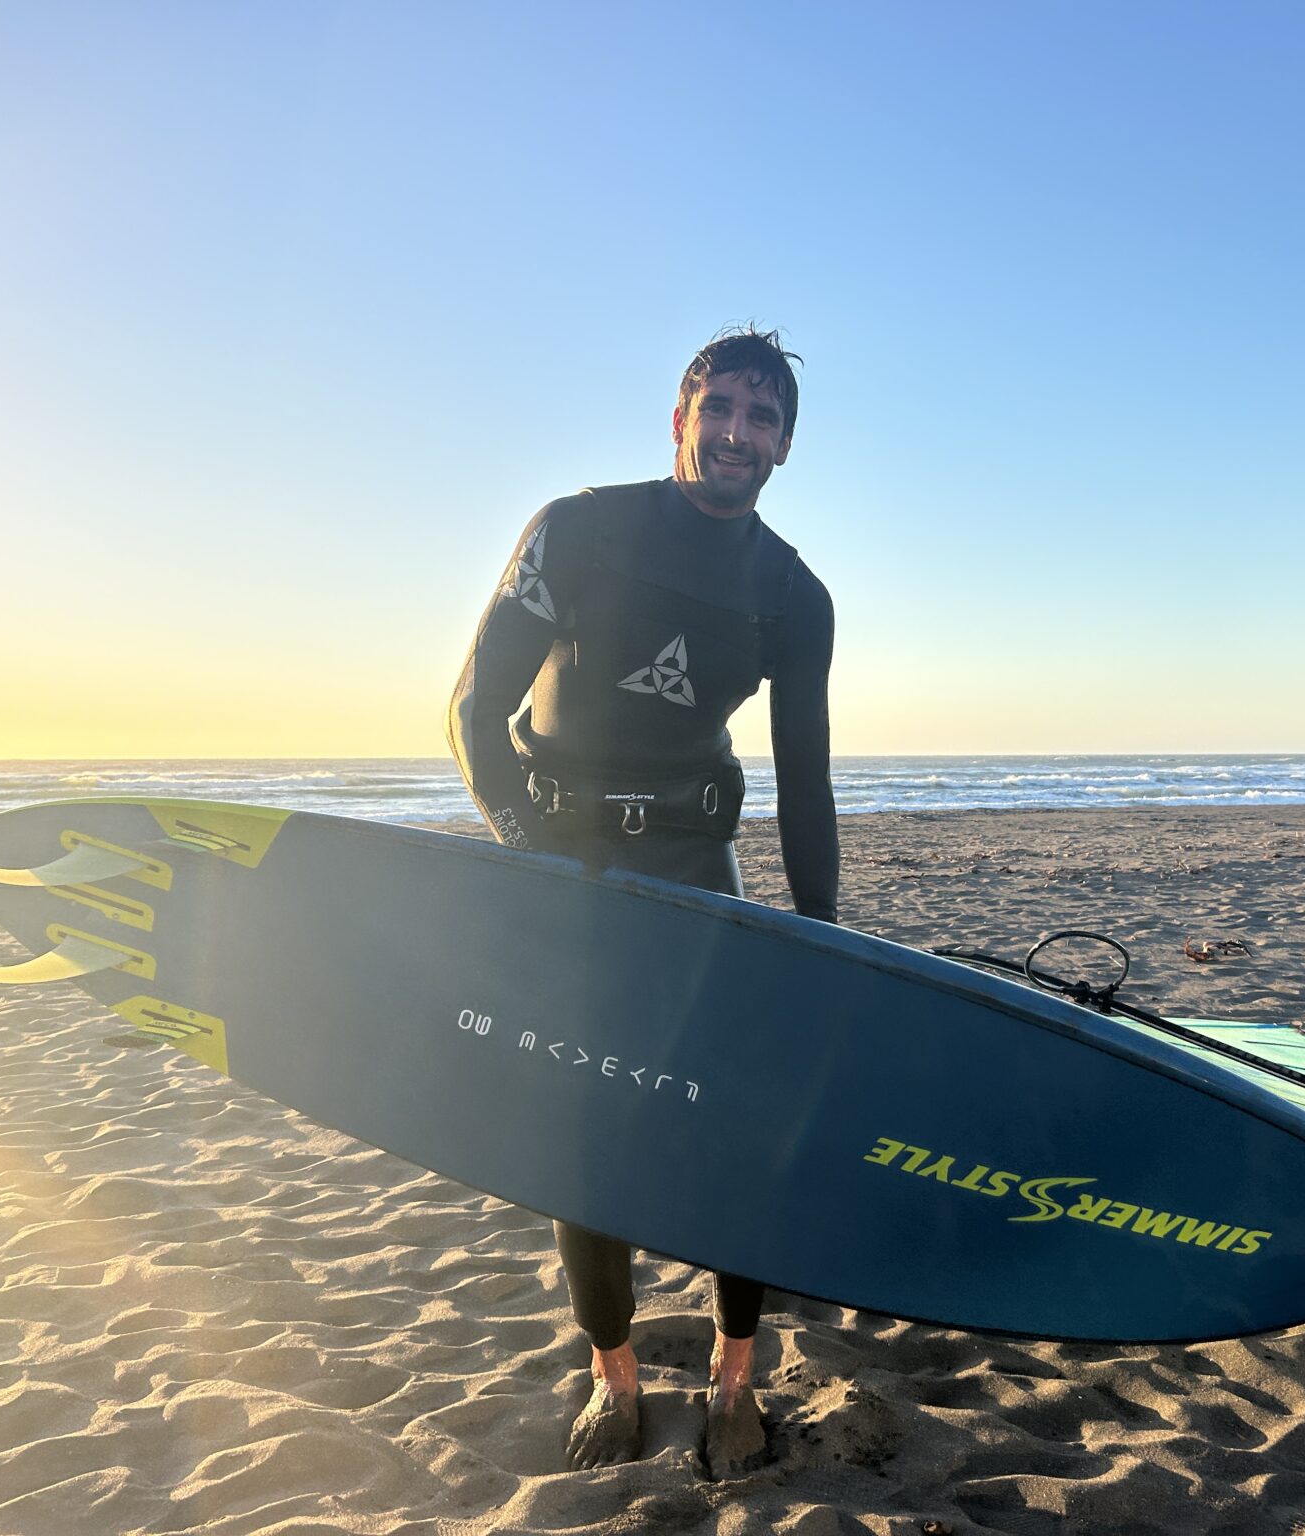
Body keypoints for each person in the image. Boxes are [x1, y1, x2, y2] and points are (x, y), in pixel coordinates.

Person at [446, 326, 838, 1477]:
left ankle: (733, 1373)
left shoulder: (792, 596)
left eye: (762, 418)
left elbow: (805, 785)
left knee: (737, 1123)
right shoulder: (576, 530)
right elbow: (473, 711)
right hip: (561, 858)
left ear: (783, 446)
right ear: (679, 420)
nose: (737, 433)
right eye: (719, 408)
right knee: (587, 1131)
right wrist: (526, 853)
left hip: (691, 866)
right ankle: (612, 1373)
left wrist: (819, 939)